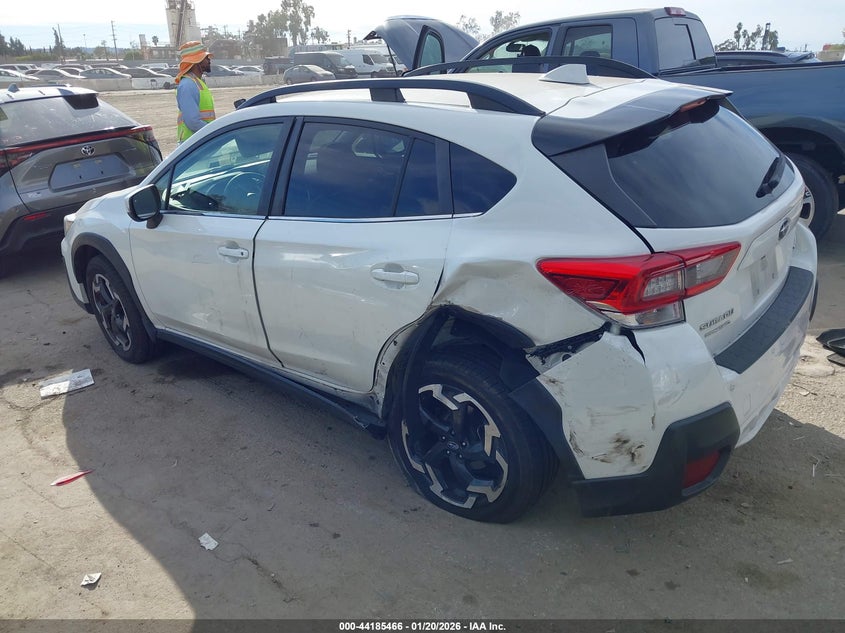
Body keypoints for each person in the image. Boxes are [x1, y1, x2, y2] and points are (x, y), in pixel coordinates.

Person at [175, 41, 216, 143]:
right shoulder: (188, 85)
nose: (209, 60)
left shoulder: (197, 82)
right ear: (196, 62)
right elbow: (193, 122)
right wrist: (214, 132)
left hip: (201, 142)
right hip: (193, 146)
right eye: (205, 58)